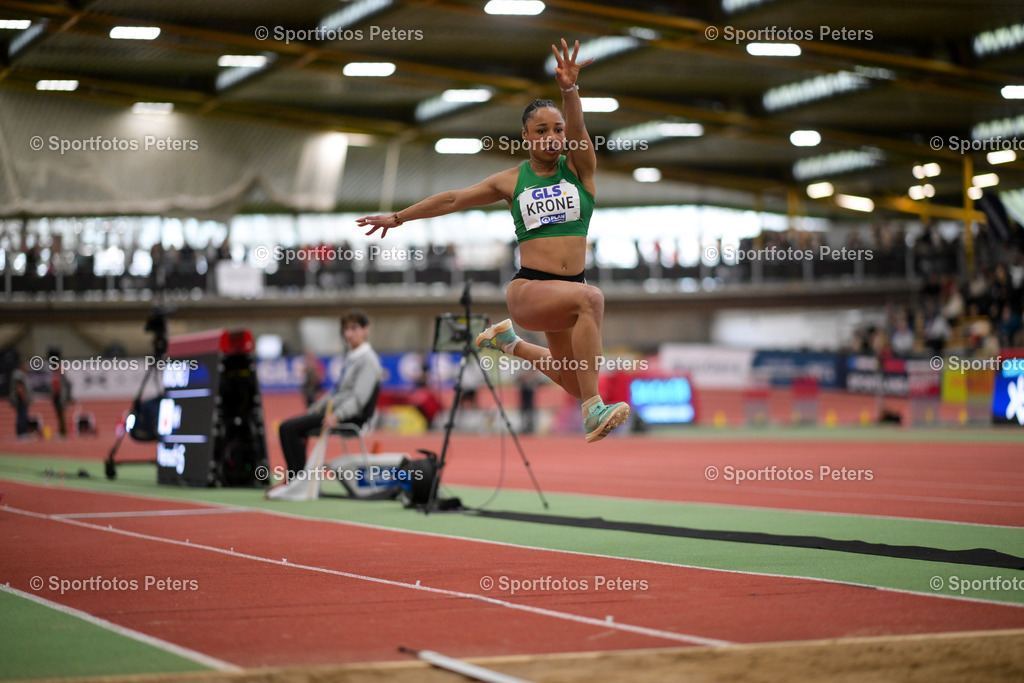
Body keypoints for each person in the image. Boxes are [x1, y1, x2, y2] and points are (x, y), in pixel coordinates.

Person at [358, 39, 629, 443]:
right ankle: (593, 411)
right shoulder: (511, 180)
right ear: (525, 136)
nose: (552, 137)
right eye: (542, 131)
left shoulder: (580, 170)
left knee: (573, 381)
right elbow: (453, 198)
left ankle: (508, 342)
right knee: (593, 300)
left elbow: (579, 127)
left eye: (557, 130)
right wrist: (399, 217)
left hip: (569, 289)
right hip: (531, 289)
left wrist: (569, 89)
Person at [278, 310, 382, 477]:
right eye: (345, 329)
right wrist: (314, 410)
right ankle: (296, 479)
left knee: (289, 429)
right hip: (334, 411)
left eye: (354, 328)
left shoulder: (368, 360)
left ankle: (297, 480)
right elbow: (336, 392)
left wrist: (337, 415)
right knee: (290, 426)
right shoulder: (352, 358)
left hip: (348, 416)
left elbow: (358, 398)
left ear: (366, 330)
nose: (348, 334)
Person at [9, 359, 32, 438]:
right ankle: (21, 432)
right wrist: (23, 398)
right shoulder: (19, 375)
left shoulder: (22, 374)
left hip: (21, 398)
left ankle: (22, 432)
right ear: (21, 366)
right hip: (20, 399)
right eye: (25, 366)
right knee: (22, 416)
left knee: (22, 415)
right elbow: (19, 388)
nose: (26, 368)